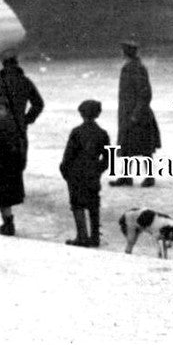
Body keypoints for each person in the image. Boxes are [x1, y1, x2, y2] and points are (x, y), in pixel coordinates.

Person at [0, 48, 44, 236]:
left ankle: (5, 218)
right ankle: (10, 207)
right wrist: (26, 120)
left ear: (3, 64)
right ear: (16, 62)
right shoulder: (25, 82)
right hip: (19, 131)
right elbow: (38, 103)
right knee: (16, 167)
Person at [60, 99, 111, 247]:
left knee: (77, 204)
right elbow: (109, 158)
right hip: (92, 174)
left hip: (76, 173)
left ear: (81, 114)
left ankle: (82, 236)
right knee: (93, 204)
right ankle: (95, 237)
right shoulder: (102, 134)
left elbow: (68, 155)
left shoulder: (76, 132)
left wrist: (65, 171)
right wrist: (98, 169)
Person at [110, 39, 160, 187]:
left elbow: (145, 94)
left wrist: (135, 115)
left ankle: (147, 177)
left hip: (136, 115)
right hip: (131, 113)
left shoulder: (134, 68)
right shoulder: (133, 67)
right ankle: (127, 176)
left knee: (143, 148)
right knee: (130, 146)